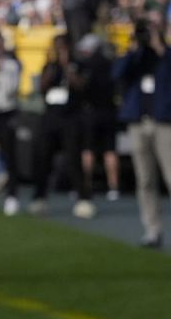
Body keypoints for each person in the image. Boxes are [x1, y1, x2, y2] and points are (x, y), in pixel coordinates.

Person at [118, 14, 171, 247]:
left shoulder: (165, 54)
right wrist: (134, 47)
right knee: (145, 180)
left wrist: (160, 47)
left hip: (164, 122)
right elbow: (117, 73)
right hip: (139, 121)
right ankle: (152, 230)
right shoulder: (136, 56)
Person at [32, 34, 90, 217]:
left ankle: (82, 198)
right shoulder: (49, 66)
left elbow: (80, 87)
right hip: (50, 117)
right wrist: (52, 69)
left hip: (70, 118)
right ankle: (39, 197)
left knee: (73, 159)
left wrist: (67, 66)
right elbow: (42, 88)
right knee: (43, 158)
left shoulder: (78, 65)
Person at [73, 32, 121, 203]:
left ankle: (86, 185)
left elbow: (82, 89)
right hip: (109, 111)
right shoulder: (111, 64)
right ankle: (113, 187)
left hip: (92, 112)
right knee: (110, 150)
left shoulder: (86, 66)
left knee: (88, 150)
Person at [0, 29, 25, 216]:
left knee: (10, 153)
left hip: (6, 112)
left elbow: (11, 90)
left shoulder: (12, 65)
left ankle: (12, 196)